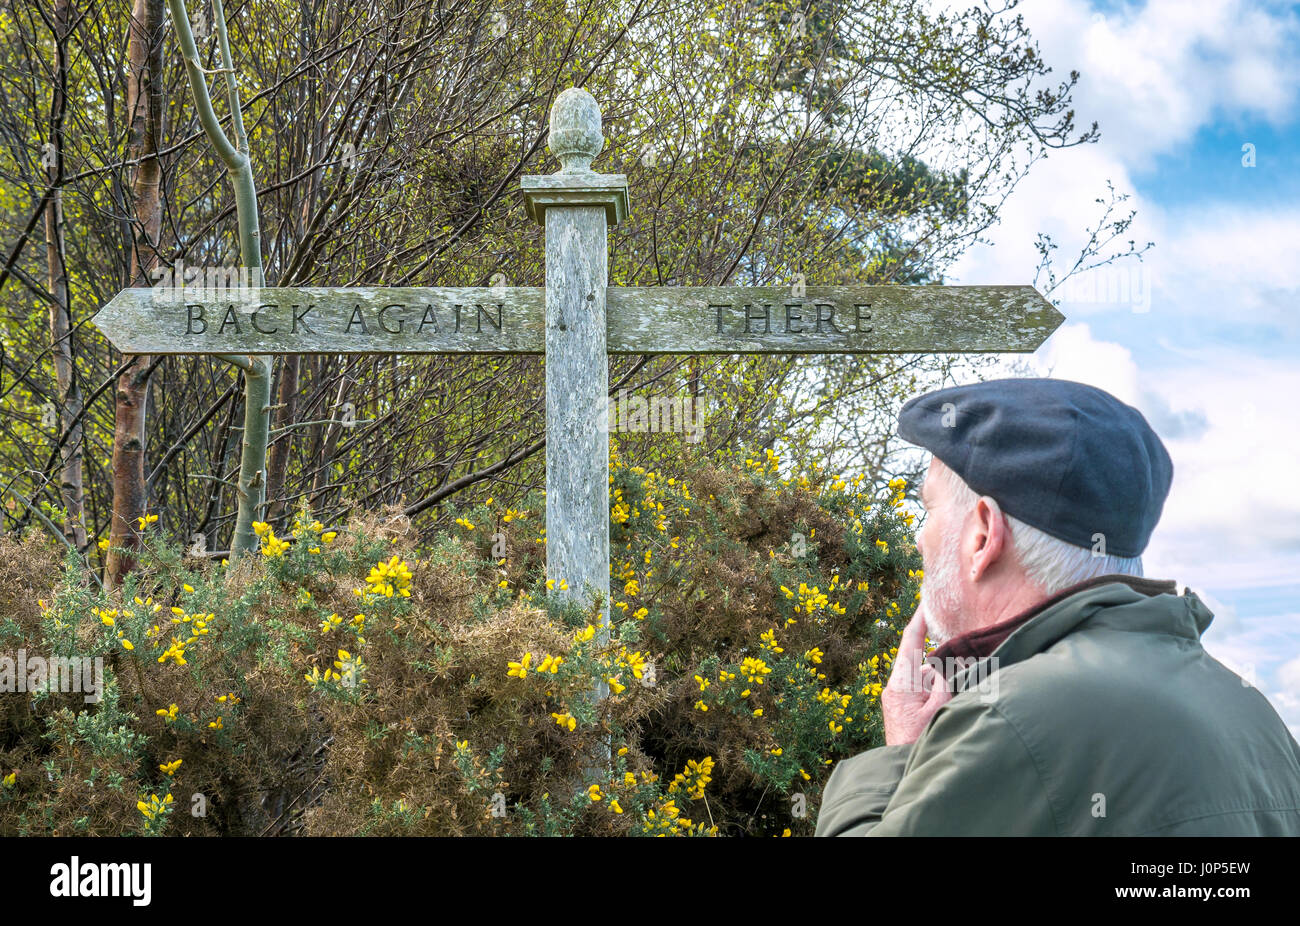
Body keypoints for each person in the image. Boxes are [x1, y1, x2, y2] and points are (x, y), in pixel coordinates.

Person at [815, 377, 1300, 836]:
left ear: (983, 535)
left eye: (929, 509)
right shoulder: (1257, 718)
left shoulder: (1008, 719)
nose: (920, 539)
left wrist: (902, 755)